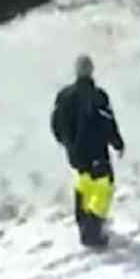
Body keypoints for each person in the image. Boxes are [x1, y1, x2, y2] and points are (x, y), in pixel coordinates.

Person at [50, 54, 125, 249]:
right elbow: (107, 122)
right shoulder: (98, 96)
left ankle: (83, 221)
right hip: (96, 152)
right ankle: (92, 231)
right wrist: (117, 143)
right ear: (91, 71)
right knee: (103, 187)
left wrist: (66, 144)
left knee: (84, 185)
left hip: (75, 154)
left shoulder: (63, 96)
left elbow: (55, 124)